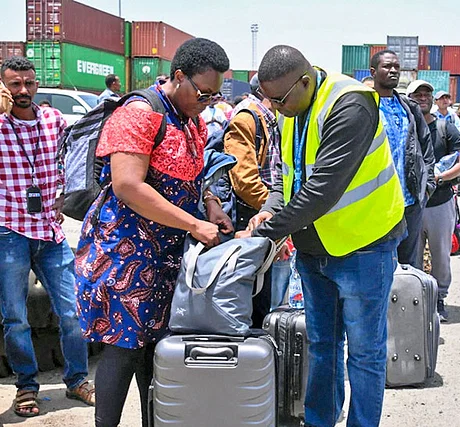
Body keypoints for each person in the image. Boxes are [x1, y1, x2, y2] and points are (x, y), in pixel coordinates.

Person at [237, 45, 405, 427]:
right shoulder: (291, 110)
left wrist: (265, 232)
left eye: (279, 100)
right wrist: (269, 207)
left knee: (364, 353)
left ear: (305, 81)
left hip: (364, 245)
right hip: (316, 249)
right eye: (270, 100)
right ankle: (319, 421)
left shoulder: (351, 104)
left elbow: (321, 191)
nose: (275, 108)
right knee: (323, 347)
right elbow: (287, 177)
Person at [74, 38, 231, 427]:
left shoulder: (190, 119)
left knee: (154, 350)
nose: (209, 101)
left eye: (216, 94)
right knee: (123, 349)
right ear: (179, 77)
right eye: (203, 92)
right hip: (126, 252)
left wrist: (209, 202)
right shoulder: (140, 113)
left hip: (164, 254)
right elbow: (128, 185)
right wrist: (194, 224)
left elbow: (191, 172)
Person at [0, 56, 94, 418]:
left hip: (51, 233)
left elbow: (73, 160)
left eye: (28, 83)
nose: (22, 90)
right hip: (9, 231)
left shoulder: (53, 121)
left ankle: (77, 379)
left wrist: (66, 196)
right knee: (15, 317)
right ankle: (26, 387)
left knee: (72, 311)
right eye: (14, 84)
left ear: (37, 84)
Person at [221, 73, 288, 321]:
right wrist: (275, 212)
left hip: (269, 215)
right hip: (253, 218)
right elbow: (245, 182)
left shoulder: (272, 119)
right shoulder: (246, 119)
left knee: (272, 293)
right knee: (257, 297)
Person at [407, 78, 460, 321]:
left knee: (441, 254)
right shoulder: (404, 128)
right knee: (412, 256)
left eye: (426, 95)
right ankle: (417, 300)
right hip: (410, 203)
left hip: (439, 202)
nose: (423, 98)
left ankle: (439, 298)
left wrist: (439, 178)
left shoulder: (445, 129)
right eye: (417, 95)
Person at [370, 50, 436, 270]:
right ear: (373, 71)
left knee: (408, 265)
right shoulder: (365, 105)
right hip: (378, 203)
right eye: (387, 66)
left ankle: (408, 305)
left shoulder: (409, 108)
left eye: (397, 67)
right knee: (378, 264)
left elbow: (426, 149)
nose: (393, 71)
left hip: (410, 202)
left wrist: (427, 187)